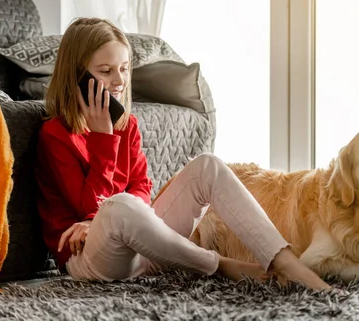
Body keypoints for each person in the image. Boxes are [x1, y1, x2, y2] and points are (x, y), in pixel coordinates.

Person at [35, 17, 331, 291]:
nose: (119, 81)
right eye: (105, 71)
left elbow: (142, 188)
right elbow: (90, 205)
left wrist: (118, 216)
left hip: (143, 247)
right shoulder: (55, 135)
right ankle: (219, 265)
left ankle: (284, 261)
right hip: (89, 259)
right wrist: (103, 138)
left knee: (207, 165)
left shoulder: (128, 125)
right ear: (78, 77)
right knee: (119, 206)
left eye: (124, 68)